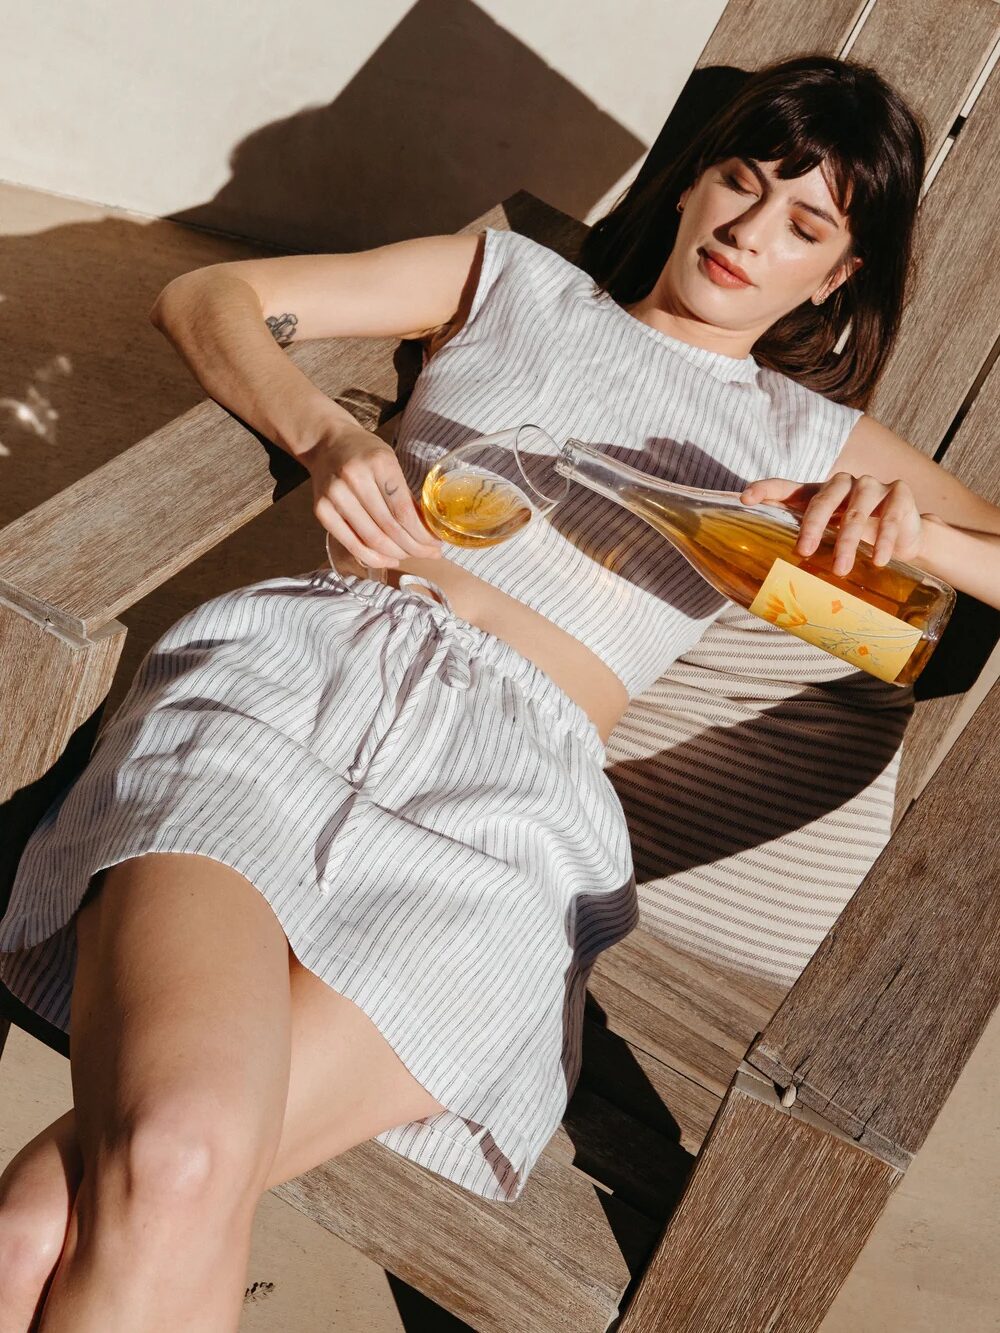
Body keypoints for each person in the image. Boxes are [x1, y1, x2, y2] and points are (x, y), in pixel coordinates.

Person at [2, 51, 999, 1330]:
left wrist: (912, 537)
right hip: (296, 689)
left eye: (804, 225)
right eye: (740, 185)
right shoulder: (510, 285)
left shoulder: (807, 441)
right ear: (692, 184)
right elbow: (210, 293)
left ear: (839, 274)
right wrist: (330, 432)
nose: (752, 234)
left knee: (86, 1199)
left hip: (509, 810)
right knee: (150, 1167)